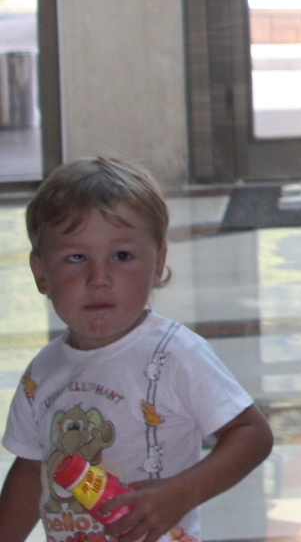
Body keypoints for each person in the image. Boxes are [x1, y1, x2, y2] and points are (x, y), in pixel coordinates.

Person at [0, 160, 273, 542]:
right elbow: (32, 471)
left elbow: (252, 434)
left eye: (122, 256)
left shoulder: (174, 354)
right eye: (76, 257)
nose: (99, 278)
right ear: (41, 272)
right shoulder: (42, 372)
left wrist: (180, 493)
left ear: (158, 264)